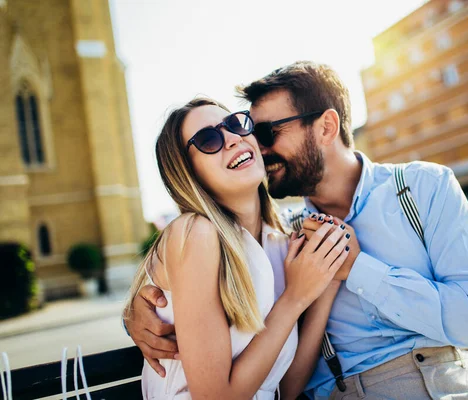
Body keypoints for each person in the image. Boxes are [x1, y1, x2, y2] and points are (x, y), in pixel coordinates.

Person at [126, 63, 468, 399]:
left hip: (464, 381)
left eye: (260, 131)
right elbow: (177, 286)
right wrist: (136, 312)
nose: (253, 143)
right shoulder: (290, 241)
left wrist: (351, 269)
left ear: (327, 128)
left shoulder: (423, 187)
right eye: (248, 131)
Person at [123, 97, 353, 399]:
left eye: (235, 124)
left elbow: (285, 387)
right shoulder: (194, 233)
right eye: (208, 139)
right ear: (187, 172)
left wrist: (327, 278)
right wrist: (295, 298)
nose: (232, 139)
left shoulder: (280, 243)